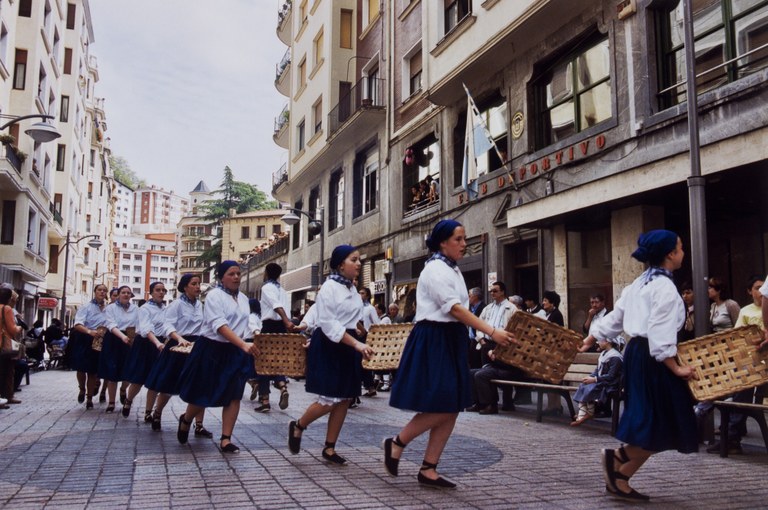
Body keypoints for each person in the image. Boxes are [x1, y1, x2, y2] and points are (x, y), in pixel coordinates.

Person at [384, 220, 516, 488]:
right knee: (444, 402)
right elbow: (454, 309)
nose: (464, 244)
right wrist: (492, 331)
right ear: (443, 242)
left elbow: (457, 311)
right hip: (435, 338)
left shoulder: (451, 269)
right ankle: (397, 442)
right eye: (459, 239)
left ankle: (429, 468)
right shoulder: (434, 269)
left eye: (464, 239)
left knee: (453, 405)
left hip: (451, 338)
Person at [596, 230, 697, 501]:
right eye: (681, 248)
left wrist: (592, 336)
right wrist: (676, 368)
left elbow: (616, 318)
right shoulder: (663, 288)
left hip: (638, 354)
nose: (683, 252)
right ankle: (618, 458)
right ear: (670, 254)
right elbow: (660, 334)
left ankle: (620, 477)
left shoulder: (640, 282)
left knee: (653, 419)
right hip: (655, 358)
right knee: (664, 420)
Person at [288, 245, 375, 465]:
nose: (358, 264)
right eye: (354, 260)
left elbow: (351, 319)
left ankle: (329, 447)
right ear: (340, 264)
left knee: (345, 398)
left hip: (347, 345)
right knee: (329, 399)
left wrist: (361, 334)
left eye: (359, 260)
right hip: (330, 345)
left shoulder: (352, 289)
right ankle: (298, 425)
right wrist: (356, 343)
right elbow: (328, 324)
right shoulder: (328, 288)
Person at [177, 261, 259, 454]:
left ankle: (226, 439)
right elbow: (219, 326)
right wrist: (243, 344)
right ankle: (187, 419)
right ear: (222, 277)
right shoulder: (214, 296)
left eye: (238, 273)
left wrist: (254, 337)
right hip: (212, 349)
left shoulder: (244, 299)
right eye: (231, 274)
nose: (236, 277)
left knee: (234, 394)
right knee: (203, 392)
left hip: (236, 351)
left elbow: (248, 323)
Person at [705, 275, 766, 454]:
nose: (761, 292)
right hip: (749, 362)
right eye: (757, 288)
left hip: (762, 365)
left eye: (764, 287)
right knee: (737, 387)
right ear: (749, 292)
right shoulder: (746, 311)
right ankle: (731, 437)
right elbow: (739, 336)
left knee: (741, 388)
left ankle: (731, 436)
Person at [144, 274, 210, 436]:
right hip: (177, 345)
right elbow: (167, 325)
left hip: (196, 346)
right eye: (193, 284)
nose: (197, 287)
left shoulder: (199, 305)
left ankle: (199, 425)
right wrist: (179, 338)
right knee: (168, 384)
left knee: (200, 384)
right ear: (185, 287)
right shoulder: (177, 305)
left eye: (198, 284)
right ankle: (157, 413)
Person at [121, 282, 167, 423]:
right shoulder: (145, 309)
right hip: (146, 343)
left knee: (155, 381)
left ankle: (148, 412)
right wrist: (157, 343)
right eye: (157, 290)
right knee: (139, 380)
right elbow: (146, 329)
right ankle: (128, 400)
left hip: (160, 344)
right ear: (151, 293)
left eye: (163, 290)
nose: (161, 292)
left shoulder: (166, 308)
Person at [256, 262, 292, 413]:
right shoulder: (282, 290)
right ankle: (282, 386)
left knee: (263, 362)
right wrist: (287, 324)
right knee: (278, 359)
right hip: (281, 328)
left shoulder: (266, 288)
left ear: (266, 273)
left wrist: (286, 320)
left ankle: (265, 400)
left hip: (270, 325)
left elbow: (276, 306)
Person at [100, 286, 138, 413]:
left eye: (128, 293)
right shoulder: (110, 308)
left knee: (129, 370)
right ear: (119, 294)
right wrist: (122, 337)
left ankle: (123, 390)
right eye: (123, 292)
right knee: (112, 372)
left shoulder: (135, 309)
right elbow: (110, 324)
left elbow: (139, 324)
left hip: (130, 340)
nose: (126, 295)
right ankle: (111, 402)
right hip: (114, 339)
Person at [70, 284, 109, 409]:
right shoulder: (86, 307)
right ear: (95, 292)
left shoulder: (108, 308)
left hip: (99, 340)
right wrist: (89, 332)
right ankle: (82, 388)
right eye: (99, 290)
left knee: (92, 371)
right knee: (81, 369)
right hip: (85, 338)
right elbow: (77, 324)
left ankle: (89, 398)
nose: (102, 292)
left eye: (104, 290)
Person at [570, 336, 623, 426]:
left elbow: (611, 376)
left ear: (608, 342)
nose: (598, 342)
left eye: (600, 340)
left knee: (592, 387)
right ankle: (587, 411)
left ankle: (587, 413)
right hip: (603, 381)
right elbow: (597, 370)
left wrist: (595, 379)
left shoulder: (615, 357)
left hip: (611, 384)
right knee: (584, 385)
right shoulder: (604, 354)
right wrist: (590, 377)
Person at [0, 287, 23, 405]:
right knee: (8, 371)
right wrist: (19, 328)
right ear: (9, 299)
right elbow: (12, 329)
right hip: (4, 345)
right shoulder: (6, 309)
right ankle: (8, 396)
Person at [358, 286, 380, 398]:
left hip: (365, 337)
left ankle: (370, 387)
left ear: (367, 295)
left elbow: (376, 323)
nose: (360, 295)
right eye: (359, 293)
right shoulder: (355, 307)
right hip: (355, 337)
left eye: (362, 293)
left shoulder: (370, 309)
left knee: (363, 363)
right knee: (357, 363)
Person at [467, 287, 486, 369]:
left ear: (475, 297)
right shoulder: (469, 308)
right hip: (469, 339)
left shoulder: (484, 308)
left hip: (478, 339)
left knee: (477, 364)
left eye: (469, 296)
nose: (468, 298)